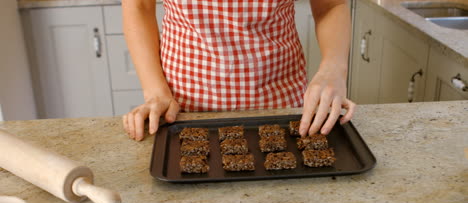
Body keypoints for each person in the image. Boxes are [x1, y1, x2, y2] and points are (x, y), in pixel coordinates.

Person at [122, 0, 356, 141]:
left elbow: (330, 5)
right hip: (184, 102)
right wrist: (154, 91)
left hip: (280, 97)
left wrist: (333, 67)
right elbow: (138, 6)